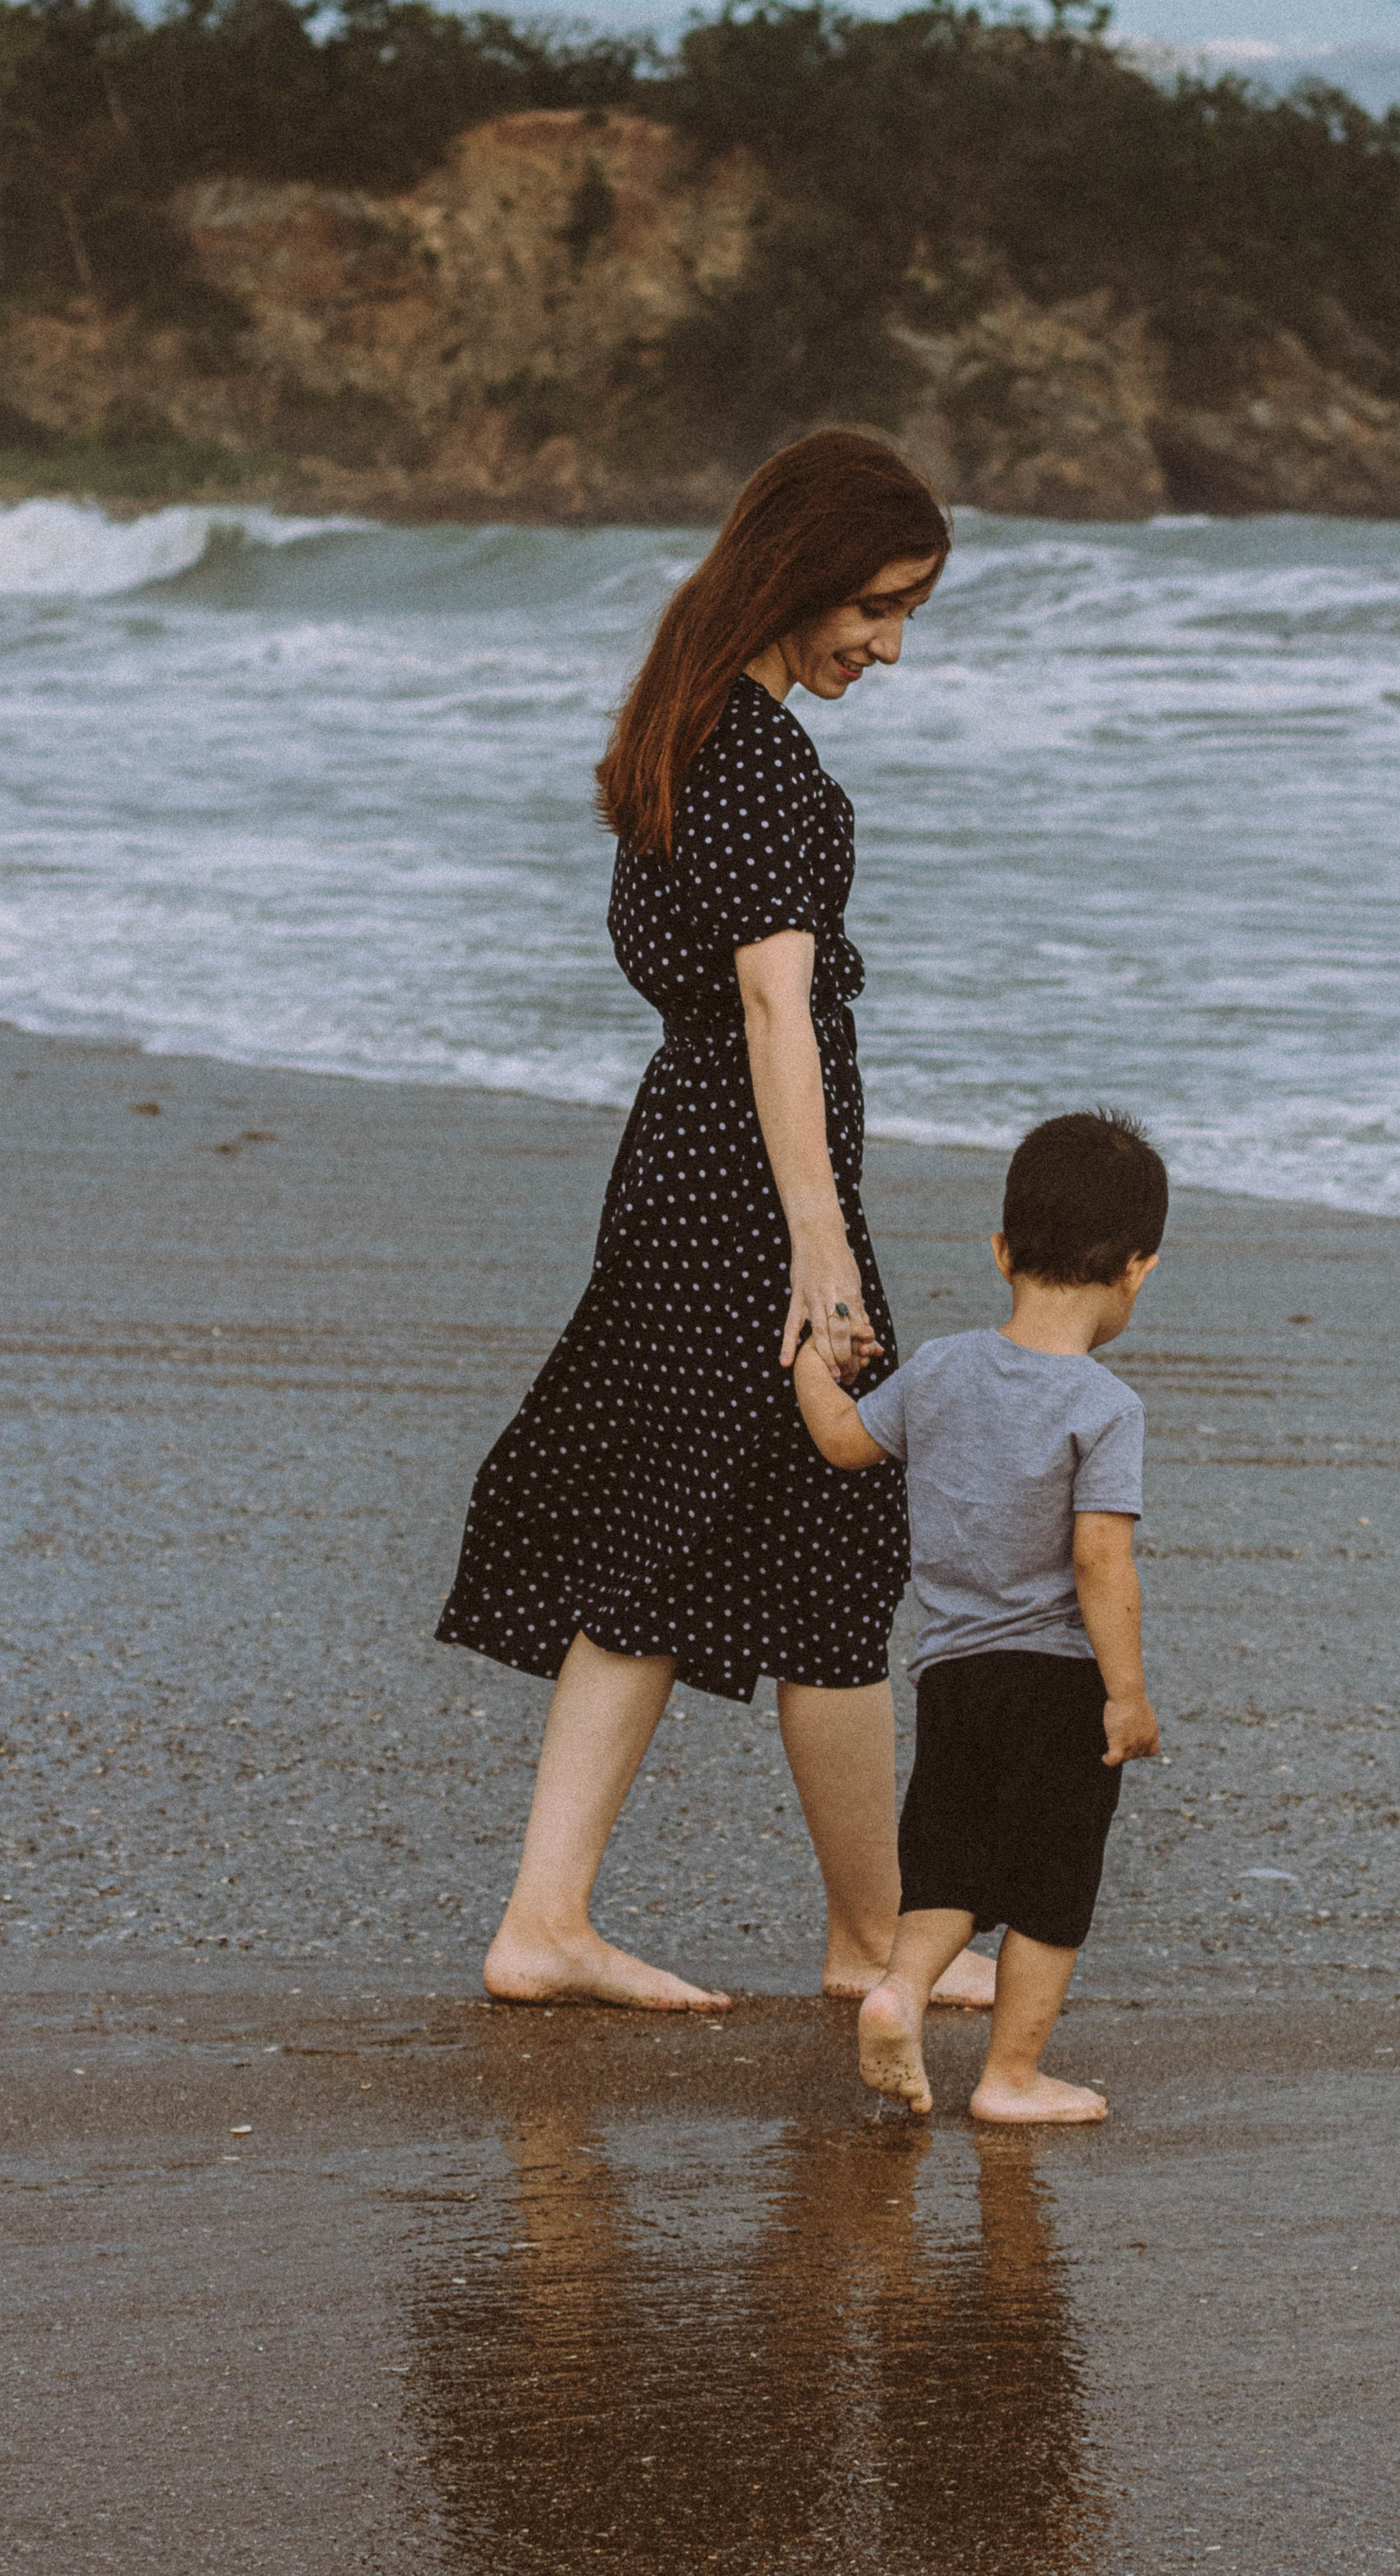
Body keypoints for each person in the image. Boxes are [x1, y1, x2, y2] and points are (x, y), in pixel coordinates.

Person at [435, 426, 996, 2016]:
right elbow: (771, 1013)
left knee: (746, 1541)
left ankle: (742, 1929)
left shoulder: (693, 731)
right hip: (746, 1198)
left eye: (908, 617)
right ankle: (774, 1934)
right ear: (801, 570)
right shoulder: (753, 762)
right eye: (875, 608)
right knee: (767, 1531)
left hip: (697, 1176)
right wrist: (820, 1250)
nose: (886, 647)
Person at [792, 1109, 1166, 2122]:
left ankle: (899, 1990)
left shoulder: (944, 1368)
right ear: (1137, 1270)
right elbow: (1100, 1559)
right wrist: (1126, 1697)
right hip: (1056, 1682)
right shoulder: (1105, 1405)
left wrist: (808, 1363)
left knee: (949, 1859)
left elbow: (841, 1444)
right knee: (1052, 1884)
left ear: (1001, 1251)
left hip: (951, 1673)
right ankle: (1009, 2077)